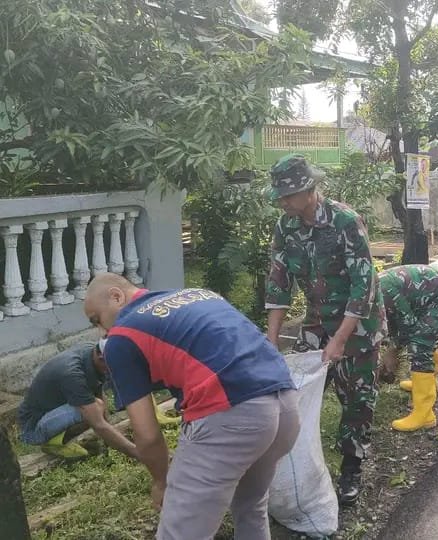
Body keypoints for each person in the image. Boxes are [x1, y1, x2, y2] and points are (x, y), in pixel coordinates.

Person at [84, 274, 299, 540]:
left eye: (97, 319)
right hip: (285, 405)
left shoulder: (122, 336)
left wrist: (161, 481)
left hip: (231, 415)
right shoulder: (198, 295)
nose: (102, 331)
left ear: (116, 297)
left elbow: (147, 435)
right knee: (250, 507)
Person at [264, 153, 386, 506]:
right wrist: (272, 340)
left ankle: (352, 466)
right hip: (316, 324)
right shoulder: (286, 227)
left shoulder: (345, 222)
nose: (283, 202)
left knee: (357, 399)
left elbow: (364, 287)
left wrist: (341, 339)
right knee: (295, 394)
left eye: (288, 195)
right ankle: (300, 465)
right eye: (280, 196)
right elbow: (278, 282)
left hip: (358, 326)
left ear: (309, 190)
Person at [377, 265, 438, 432]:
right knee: (424, 335)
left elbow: (408, 324)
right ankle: (427, 383)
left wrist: (392, 352)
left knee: (421, 342)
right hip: (433, 295)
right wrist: (391, 348)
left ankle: (424, 415)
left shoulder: (383, 291)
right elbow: (395, 321)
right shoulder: (375, 289)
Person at [16, 342, 138, 460]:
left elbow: (98, 390)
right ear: (101, 357)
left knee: (98, 407)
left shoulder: (92, 351)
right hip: (33, 429)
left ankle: (66, 436)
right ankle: (52, 443)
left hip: (53, 411)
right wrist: (137, 452)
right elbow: (98, 424)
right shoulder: (72, 374)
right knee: (96, 408)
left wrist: (111, 431)